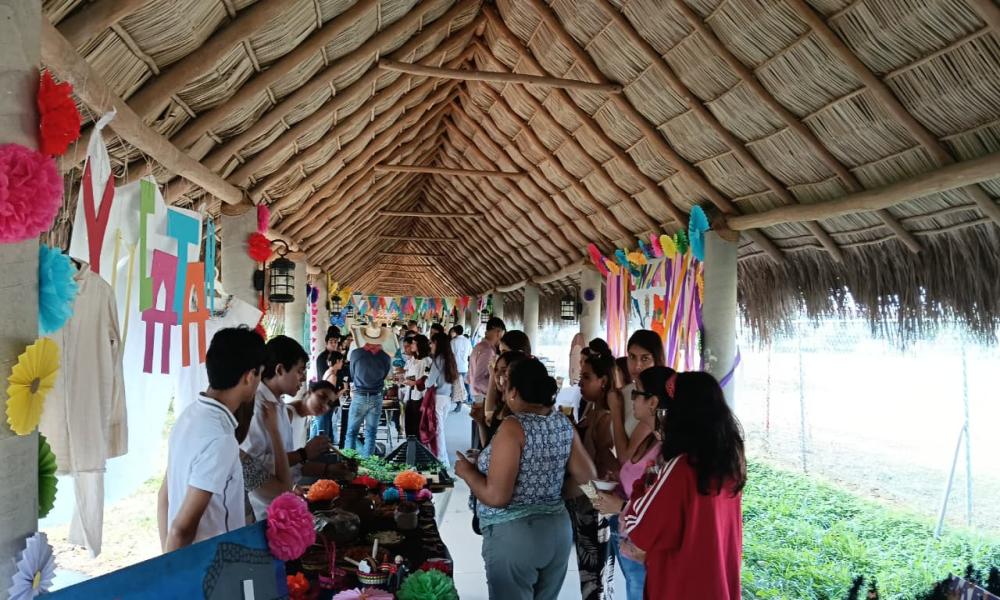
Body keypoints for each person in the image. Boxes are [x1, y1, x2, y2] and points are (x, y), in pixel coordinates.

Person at [455, 358, 597, 600]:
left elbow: (497, 496)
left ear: (515, 391)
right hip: (557, 532)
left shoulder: (514, 426)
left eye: (505, 382)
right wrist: (553, 491)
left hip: (516, 536)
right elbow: (588, 478)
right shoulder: (561, 422)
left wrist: (466, 472)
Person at [622, 369, 745, 599]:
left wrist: (646, 480)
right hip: (719, 587)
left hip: (682, 587)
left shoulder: (682, 467)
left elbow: (638, 526)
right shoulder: (730, 463)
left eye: (668, 410)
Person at [159, 327, 265, 550]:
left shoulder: (188, 416)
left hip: (191, 562)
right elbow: (182, 528)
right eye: (259, 375)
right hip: (210, 567)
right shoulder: (221, 440)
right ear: (249, 377)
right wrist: (170, 575)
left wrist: (165, 557)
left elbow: (164, 498)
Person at [594, 366, 674, 600]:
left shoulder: (667, 449)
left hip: (643, 541)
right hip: (628, 534)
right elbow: (629, 471)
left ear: (653, 402)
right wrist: (616, 484)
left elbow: (659, 505)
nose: (632, 400)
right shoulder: (648, 434)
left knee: (640, 589)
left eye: (636, 393)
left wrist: (620, 506)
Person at [242, 335, 329, 519]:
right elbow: (254, 466)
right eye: (299, 371)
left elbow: (283, 461)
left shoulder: (278, 405)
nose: (303, 377)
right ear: (280, 369)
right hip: (262, 511)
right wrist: (303, 454)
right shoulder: (258, 406)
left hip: (281, 504)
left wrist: (293, 485)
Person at [566, 338, 618, 600]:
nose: (580, 382)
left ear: (604, 382)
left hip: (595, 503)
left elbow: (605, 471)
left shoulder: (606, 418)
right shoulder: (592, 412)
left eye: (587, 377)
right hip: (585, 501)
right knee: (590, 572)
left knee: (595, 575)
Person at [609, 330, 666, 465]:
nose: (637, 365)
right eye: (632, 357)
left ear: (657, 360)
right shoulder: (625, 392)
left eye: (645, 358)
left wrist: (616, 411)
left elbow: (626, 458)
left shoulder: (658, 400)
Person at [345, 332, 392, 457]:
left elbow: (352, 374)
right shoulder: (385, 357)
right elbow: (384, 376)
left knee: (351, 433)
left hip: (359, 395)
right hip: (376, 397)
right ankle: (368, 465)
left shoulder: (356, 353)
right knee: (371, 433)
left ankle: (348, 463)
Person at [470, 350, 527, 448]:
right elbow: (488, 445)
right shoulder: (502, 405)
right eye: (496, 370)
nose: (497, 374)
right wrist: (481, 423)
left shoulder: (516, 415)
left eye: (504, 370)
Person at [421, 332, 459, 464]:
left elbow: (430, 382)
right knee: (439, 429)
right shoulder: (450, 358)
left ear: (437, 343)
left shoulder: (438, 360)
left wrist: (425, 381)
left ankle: (442, 460)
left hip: (437, 399)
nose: (430, 345)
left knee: (437, 431)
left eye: (432, 342)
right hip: (447, 398)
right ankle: (440, 458)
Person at [468, 317, 505, 448]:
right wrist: (496, 389)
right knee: (483, 440)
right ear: (498, 332)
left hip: (477, 397)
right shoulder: (487, 350)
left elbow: (470, 377)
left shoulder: (478, 346)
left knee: (479, 437)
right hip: (483, 398)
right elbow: (478, 380)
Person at [401, 334, 432, 435]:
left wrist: (414, 382)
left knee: (417, 424)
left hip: (420, 396)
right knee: (409, 422)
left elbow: (426, 379)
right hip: (411, 393)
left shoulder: (426, 360)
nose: (412, 345)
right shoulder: (415, 359)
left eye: (414, 343)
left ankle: (416, 447)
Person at [450, 325, 472, 412]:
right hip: (464, 366)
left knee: (458, 387)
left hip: (456, 367)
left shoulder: (453, 341)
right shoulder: (467, 341)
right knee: (466, 385)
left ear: (455, 331)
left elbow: (450, 355)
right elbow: (470, 353)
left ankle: (459, 405)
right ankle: (469, 400)